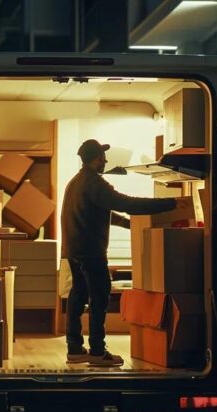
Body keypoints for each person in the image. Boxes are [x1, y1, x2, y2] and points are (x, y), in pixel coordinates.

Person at [61, 139, 177, 367]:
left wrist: (127, 224)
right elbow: (126, 203)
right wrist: (168, 204)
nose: (105, 160)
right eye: (101, 157)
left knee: (78, 296)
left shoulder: (76, 182)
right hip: (91, 251)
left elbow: (100, 211)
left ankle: (74, 348)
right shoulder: (95, 183)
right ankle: (97, 352)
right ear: (94, 159)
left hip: (73, 249)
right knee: (100, 297)